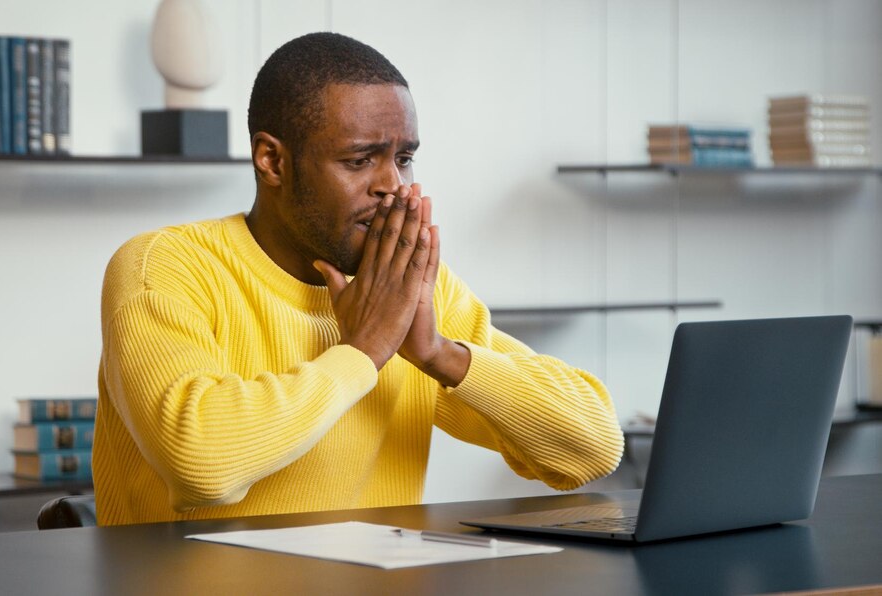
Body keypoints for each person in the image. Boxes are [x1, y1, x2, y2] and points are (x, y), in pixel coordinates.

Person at [93, 32, 623, 526]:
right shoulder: (163, 265)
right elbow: (201, 463)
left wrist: (439, 353)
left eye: (405, 158)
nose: (392, 185)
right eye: (360, 159)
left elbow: (595, 446)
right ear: (272, 160)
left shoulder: (407, 288)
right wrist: (363, 350)